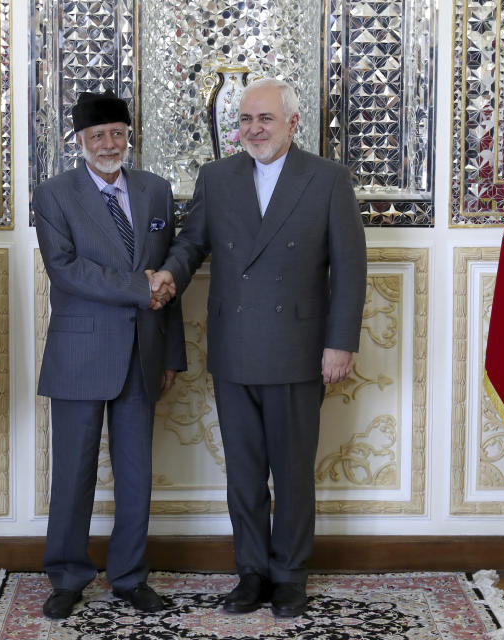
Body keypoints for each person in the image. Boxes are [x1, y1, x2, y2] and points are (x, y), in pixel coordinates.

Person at [149, 78, 366, 617]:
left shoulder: (328, 179)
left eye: (264, 119)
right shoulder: (217, 178)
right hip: (235, 348)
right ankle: (252, 573)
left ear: (293, 123)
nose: (253, 129)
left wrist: (339, 344)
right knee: (244, 474)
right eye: (245, 120)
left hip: (299, 349)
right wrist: (169, 279)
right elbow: (191, 243)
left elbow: (351, 268)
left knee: (291, 473)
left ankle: (290, 575)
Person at [33, 90, 186, 618]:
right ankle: (67, 577)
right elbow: (66, 269)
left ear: (128, 136)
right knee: (72, 474)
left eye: (117, 133)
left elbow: (170, 277)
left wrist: (171, 355)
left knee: (136, 473)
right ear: (80, 142)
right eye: (97, 135)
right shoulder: (53, 194)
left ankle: (129, 576)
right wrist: (139, 288)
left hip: (144, 353)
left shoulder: (156, 191)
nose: (109, 143)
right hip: (79, 354)